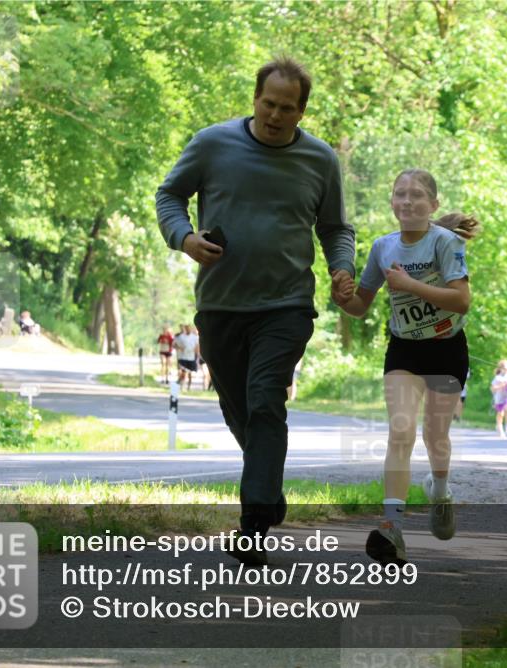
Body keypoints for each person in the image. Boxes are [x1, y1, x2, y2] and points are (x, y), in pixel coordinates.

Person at [156, 57, 355, 566]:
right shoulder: (212, 144)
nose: (274, 116)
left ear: (301, 110)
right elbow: (170, 195)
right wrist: (185, 238)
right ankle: (268, 488)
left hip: (286, 304)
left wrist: (341, 269)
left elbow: (335, 228)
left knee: (266, 399)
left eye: (286, 108)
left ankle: (253, 524)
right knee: (237, 407)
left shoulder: (319, 160)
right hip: (221, 303)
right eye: (268, 104)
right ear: (255, 100)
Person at [336, 168, 475, 565]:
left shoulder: (446, 243)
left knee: (436, 436)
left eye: (417, 195)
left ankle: (441, 490)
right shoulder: (382, 248)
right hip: (405, 351)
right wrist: (340, 298)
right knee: (400, 430)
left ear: (433, 205)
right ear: (392, 202)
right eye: (401, 194)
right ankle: (391, 527)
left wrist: (411, 286)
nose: (408, 201)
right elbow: (360, 307)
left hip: (447, 350)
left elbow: (461, 301)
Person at [174, 324, 199, 390]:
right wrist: (180, 348)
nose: (188, 329)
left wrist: (196, 352)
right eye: (186, 328)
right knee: (183, 372)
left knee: (190, 373)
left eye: (189, 328)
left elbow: (197, 346)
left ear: (191, 329)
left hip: (191, 358)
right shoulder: (181, 337)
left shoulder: (194, 337)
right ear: (185, 329)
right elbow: (174, 344)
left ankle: (188, 387)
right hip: (183, 358)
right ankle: (180, 385)